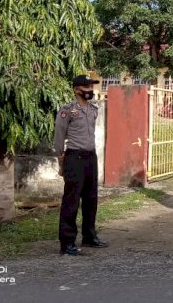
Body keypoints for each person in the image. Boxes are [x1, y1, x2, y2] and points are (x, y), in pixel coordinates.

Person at [54, 74, 107, 256]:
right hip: (74, 158)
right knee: (71, 201)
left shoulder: (93, 109)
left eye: (91, 87)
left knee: (91, 199)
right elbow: (59, 136)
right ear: (76, 89)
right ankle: (67, 242)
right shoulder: (67, 110)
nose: (90, 90)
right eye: (86, 87)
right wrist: (60, 160)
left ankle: (89, 236)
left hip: (90, 158)